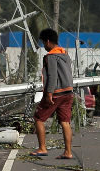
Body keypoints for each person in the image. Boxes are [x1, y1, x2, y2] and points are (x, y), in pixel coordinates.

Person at [31, 28, 75, 159]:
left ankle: (42, 148)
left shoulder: (50, 56)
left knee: (38, 118)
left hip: (56, 93)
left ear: (48, 41)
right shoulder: (65, 55)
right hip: (68, 92)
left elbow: (52, 75)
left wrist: (49, 93)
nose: (44, 46)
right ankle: (68, 152)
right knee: (65, 122)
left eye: (44, 43)